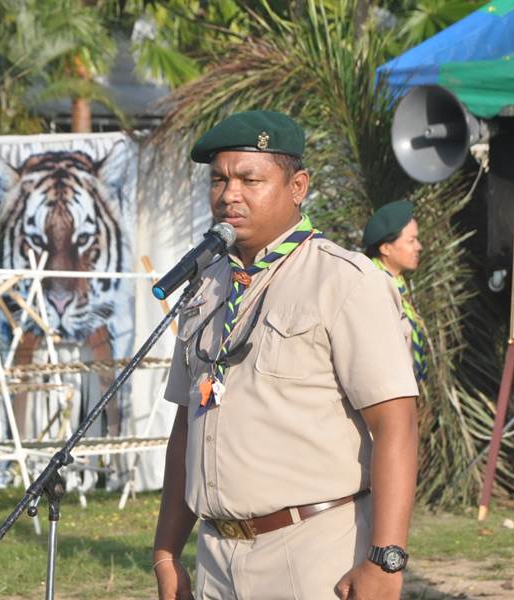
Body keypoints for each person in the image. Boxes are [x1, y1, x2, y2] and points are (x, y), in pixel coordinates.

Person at [151, 110, 419, 599]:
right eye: (218, 180)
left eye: (249, 179)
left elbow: (395, 424)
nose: (229, 195)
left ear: (298, 186)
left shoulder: (344, 280)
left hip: (312, 551)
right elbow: (187, 426)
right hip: (216, 557)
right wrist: (166, 553)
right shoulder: (207, 287)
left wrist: (386, 559)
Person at [362, 200, 427, 381]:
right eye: (411, 241)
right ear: (386, 248)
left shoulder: (397, 284)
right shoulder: (374, 290)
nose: (419, 247)